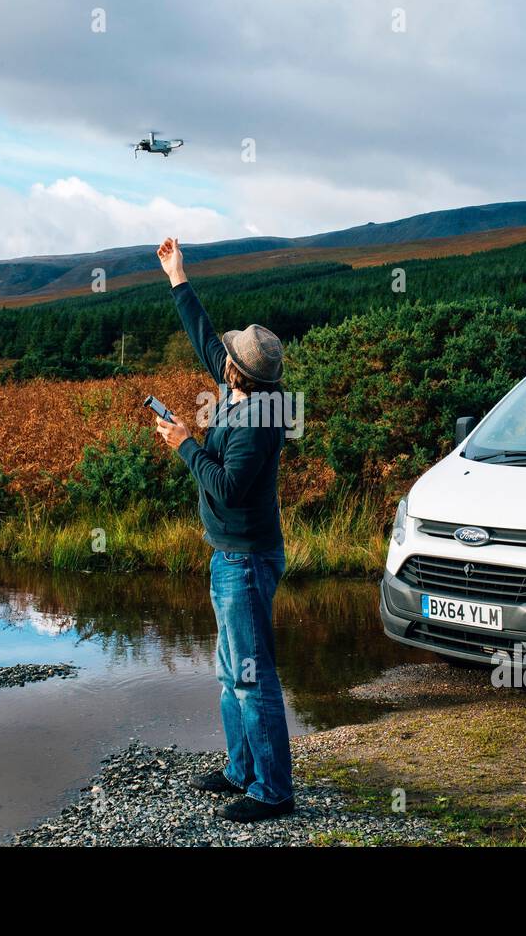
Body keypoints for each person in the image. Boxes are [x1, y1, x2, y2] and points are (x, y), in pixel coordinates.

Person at [152, 236, 294, 823]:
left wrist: (183, 442)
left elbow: (228, 488)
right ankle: (241, 769)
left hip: (245, 561)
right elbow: (205, 338)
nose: (221, 356)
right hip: (230, 556)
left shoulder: (255, 423)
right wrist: (176, 276)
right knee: (229, 669)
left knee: (250, 675)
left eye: (229, 356)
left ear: (238, 372)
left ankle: (273, 792)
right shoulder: (244, 391)